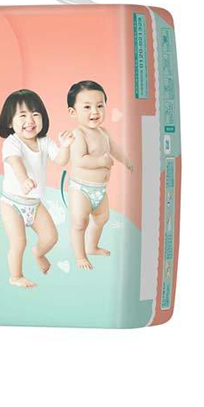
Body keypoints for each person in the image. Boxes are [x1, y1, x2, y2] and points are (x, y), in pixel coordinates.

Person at [0, 89, 74, 288]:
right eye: (22, 115)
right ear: (9, 122)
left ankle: (39, 253)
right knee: (18, 242)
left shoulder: (44, 141)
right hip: (12, 204)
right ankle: (16, 276)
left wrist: (65, 146)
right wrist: (24, 180)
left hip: (34, 204)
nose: (30, 120)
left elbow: (61, 160)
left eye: (35, 114)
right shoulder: (12, 142)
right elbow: (15, 162)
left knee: (51, 237)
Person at [66, 81, 133, 270]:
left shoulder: (103, 132)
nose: (95, 112)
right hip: (81, 188)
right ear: (73, 112)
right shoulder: (78, 134)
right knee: (80, 222)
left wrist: (127, 161)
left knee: (102, 218)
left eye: (100, 105)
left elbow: (115, 149)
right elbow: (79, 160)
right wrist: (101, 162)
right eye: (87, 107)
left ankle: (92, 246)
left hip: (100, 189)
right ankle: (80, 256)